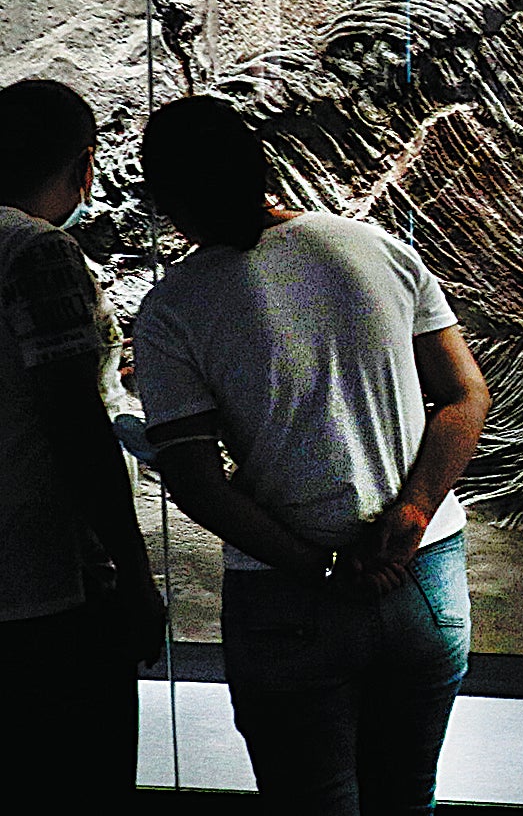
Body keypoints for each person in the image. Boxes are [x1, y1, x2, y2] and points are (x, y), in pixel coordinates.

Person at [136, 95, 490, 816]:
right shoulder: (378, 248)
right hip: (423, 572)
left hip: (287, 594)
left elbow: (197, 484)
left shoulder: (173, 307)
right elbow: (464, 396)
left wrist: (322, 569)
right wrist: (414, 513)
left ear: (168, 197)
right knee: (406, 798)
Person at [0, 78, 166, 791]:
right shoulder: (36, 252)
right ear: (84, 166)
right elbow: (74, 421)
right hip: (49, 587)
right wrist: (132, 575)